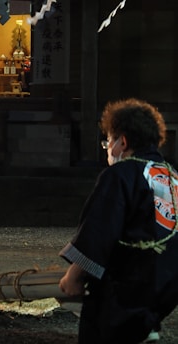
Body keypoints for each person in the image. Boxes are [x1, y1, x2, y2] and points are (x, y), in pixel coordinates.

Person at [59, 98, 178, 343]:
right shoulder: (172, 175)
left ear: (122, 142)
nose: (108, 150)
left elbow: (100, 229)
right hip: (166, 287)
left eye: (108, 142)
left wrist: (74, 276)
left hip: (124, 288)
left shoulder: (121, 174)